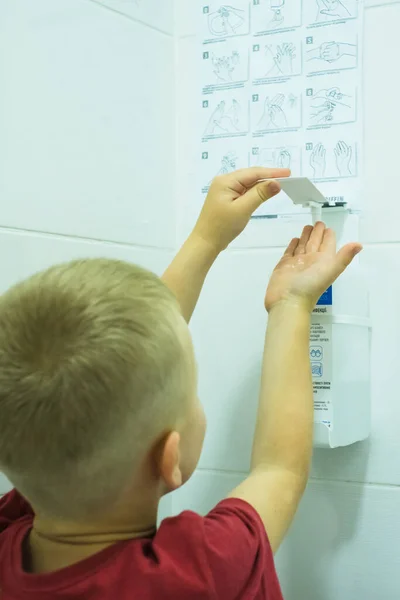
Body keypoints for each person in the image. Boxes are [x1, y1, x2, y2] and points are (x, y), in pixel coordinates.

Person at [0, 167, 361, 598]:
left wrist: (207, 238)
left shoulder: (18, 517)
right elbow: (279, 469)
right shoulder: (198, 571)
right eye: (191, 395)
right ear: (169, 458)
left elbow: (132, 354)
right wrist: (292, 302)